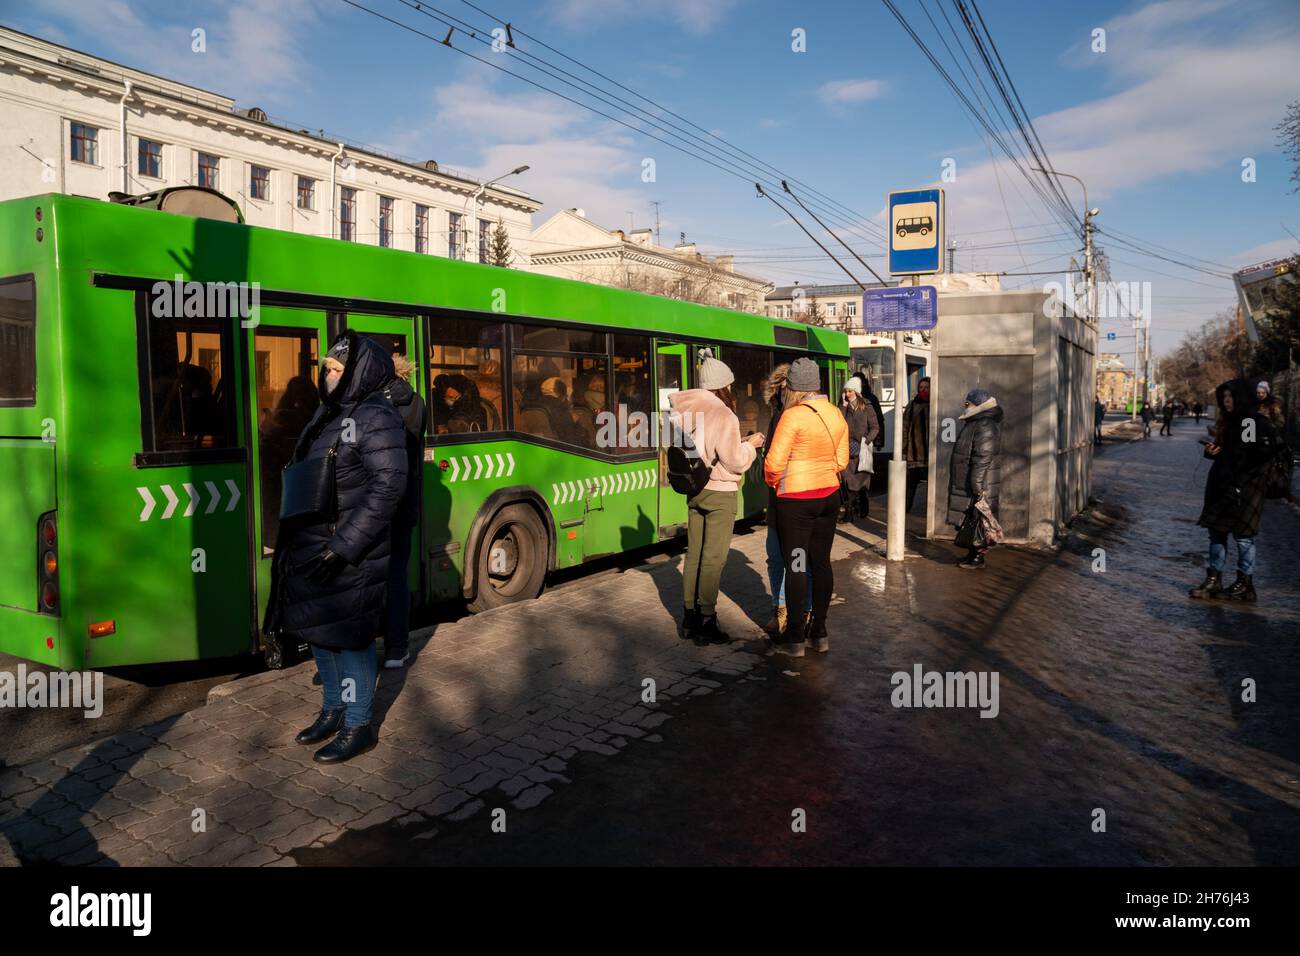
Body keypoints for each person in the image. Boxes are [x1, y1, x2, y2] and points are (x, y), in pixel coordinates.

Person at [266, 332, 409, 763]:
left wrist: (345, 546)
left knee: (352, 639)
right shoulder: (327, 413)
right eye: (326, 368)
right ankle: (333, 710)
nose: (328, 376)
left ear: (359, 373)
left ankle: (359, 724)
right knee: (320, 634)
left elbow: (390, 486)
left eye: (337, 370)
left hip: (349, 551)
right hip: (311, 543)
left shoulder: (375, 415)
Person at [668, 352, 764, 645]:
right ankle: (707, 620)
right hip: (720, 493)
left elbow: (704, 447)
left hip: (695, 490)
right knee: (714, 557)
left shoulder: (687, 411)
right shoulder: (724, 413)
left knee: (694, 554)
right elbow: (733, 460)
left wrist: (739, 441)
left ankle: (689, 617)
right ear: (723, 386)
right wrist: (752, 447)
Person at [764, 357, 849, 656]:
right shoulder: (836, 413)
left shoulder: (793, 416)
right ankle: (820, 633)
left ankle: (796, 639)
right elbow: (842, 461)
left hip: (797, 502)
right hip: (829, 497)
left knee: (797, 565)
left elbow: (773, 463)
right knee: (821, 563)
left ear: (795, 387)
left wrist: (775, 481)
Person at [1189, 379, 1277, 603]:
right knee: (1217, 534)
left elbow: (1249, 455)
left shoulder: (1250, 421)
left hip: (1245, 490)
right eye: (1224, 397)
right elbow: (1233, 454)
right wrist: (1214, 452)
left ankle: (1245, 583)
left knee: (1244, 538)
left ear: (1242, 397)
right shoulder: (1231, 421)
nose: (1227, 401)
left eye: (1231, 397)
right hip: (1223, 487)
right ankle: (1213, 579)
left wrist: (1226, 457)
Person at [381, 354, 428, 669]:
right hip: (405, 498)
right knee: (397, 575)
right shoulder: (417, 403)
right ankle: (397, 649)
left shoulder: (371, 404)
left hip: (375, 503)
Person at [946, 387, 1004, 570]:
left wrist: (978, 487)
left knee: (978, 522)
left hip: (977, 484)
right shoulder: (977, 422)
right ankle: (973, 554)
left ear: (976, 404)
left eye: (967, 403)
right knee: (971, 521)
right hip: (970, 482)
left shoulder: (984, 425)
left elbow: (982, 459)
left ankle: (978, 558)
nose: (965, 406)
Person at [839, 377, 879, 522]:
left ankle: (863, 503)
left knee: (860, 482)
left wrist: (866, 441)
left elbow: (875, 427)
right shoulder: (844, 407)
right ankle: (849, 512)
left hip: (862, 451)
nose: (847, 394)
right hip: (847, 449)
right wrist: (843, 406)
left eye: (849, 391)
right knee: (848, 482)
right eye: (845, 391)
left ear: (856, 391)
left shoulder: (867, 406)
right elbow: (838, 423)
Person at [903, 377, 932, 511]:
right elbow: (905, 427)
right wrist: (903, 449)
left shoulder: (936, 403)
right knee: (910, 484)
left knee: (931, 485)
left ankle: (931, 511)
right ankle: (905, 509)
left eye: (926, 388)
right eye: (921, 388)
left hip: (931, 452)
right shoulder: (912, 405)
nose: (923, 390)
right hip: (914, 453)